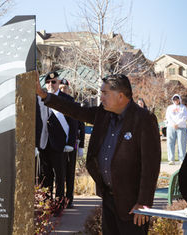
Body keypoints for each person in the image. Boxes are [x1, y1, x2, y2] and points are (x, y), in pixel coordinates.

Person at [36, 72, 161, 235]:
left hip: (133, 205)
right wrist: (44, 95)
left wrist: (143, 203)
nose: (100, 97)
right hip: (109, 198)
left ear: (121, 96)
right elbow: (75, 110)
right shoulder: (103, 114)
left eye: (104, 93)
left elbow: (150, 166)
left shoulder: (144, 119)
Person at [35, 71, 76, 200]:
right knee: (45, 176)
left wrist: (70, 143)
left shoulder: (67, 99)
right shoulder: (39, 98)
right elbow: (37, 121)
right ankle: (47, 204)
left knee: (60, 176)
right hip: (44, 142)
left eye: (53, 82)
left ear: (58, 83)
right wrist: (35, 144)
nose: (50, 84)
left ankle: (59, 204)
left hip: (59, 144)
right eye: (48, 82)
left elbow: (73, 123)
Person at [59, 78, 86, 208]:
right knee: (59, 172)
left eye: (65, 88)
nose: (63, 90)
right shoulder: (55, 102)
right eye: (61, 88)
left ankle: (69, 199)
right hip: (57, 143)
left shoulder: (73, 103)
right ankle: (58, 199)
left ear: (69, 89)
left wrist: (81, 146)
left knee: (70, 172)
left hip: (71, 143)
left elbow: (81, 125)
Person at [165, 94, 187, 165]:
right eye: (174, 99)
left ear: (179, 99)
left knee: (181, 143)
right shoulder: (169, 108)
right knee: (170, 143)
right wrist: (173, 124)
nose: (176, 100)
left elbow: (184, 117)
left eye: (177, 99)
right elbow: (168, 117)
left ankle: (182, 159)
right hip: (171, 127)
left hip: (181, 127)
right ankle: (171, 159)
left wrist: (178, 124)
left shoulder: (183, 107)